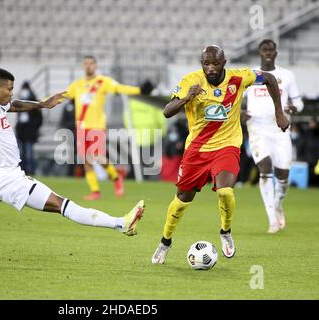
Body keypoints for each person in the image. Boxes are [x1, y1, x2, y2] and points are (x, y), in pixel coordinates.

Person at [0, 68, 144, 262]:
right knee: (63, 205)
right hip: (9, 180)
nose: (12, 93)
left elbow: (16, 105)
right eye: (9, 88)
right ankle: (121, 224)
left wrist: (42, 104)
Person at [151, 45, 289, 264]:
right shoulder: (191, 80)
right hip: (196, 150)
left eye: (215, 63)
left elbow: (270, 78)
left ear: (224, 63)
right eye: (206, 63)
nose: (210, 68)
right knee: (182, 199)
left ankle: (225, 231)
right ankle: (165, 242)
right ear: (201, 63)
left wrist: (279, 113)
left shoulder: (239, 77)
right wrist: (187, 97)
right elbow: (167, 111)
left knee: (225, 191)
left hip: (227, 146)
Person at [65, 55, 146, 201]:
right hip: (81, 127)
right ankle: (95, 191)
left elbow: (120, 88)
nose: (88, 66)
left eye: (91, 63)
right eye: (86, 64)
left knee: (97, 156)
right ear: (83, 66)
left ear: (96, 66)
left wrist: (139, 90)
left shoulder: (103, 82)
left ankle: (116, 178)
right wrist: (43, 102)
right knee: (86, 161)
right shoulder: (77, 85)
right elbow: (63, 96)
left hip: (97, 126)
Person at [245, 39, 304, 234]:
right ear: (259, 53)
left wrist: (294, 108)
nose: (268, 52)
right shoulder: (251, 75)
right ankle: (271, 219)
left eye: (271, 49)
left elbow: (299, 103)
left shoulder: (287, 75)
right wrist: (240, 112)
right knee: (264, 168)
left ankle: (278, 204)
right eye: (264, 49)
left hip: (280, 128)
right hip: (257, 127)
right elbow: (235, 97)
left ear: (276, 53)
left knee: (283, 176)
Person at [16, 81, 43, 175]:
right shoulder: (19, 103)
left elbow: (39, 118)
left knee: (29, 153)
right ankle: (23, 171)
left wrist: (34, 127)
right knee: (22, 153)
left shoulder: (33, 102)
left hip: (30, 132)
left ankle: (31, 170)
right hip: (22, 132)